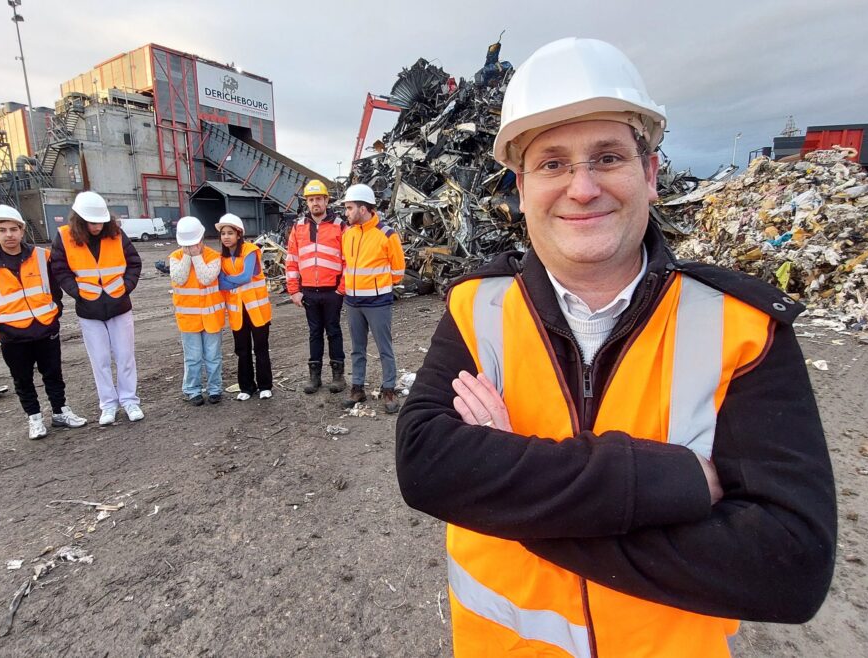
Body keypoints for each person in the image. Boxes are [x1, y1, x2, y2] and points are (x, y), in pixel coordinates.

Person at [395, 38, 837, 657]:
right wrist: (674, 482)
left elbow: (788, 567)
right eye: (552, 164)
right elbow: (426, 467)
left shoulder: (740, 326)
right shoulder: (478, 308)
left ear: (650, 175)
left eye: (606, 158)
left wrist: (511, 489)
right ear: (520, 189)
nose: (581, 188)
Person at [0, 204, 87, 439]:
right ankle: (34, 418)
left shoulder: (41, 257)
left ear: (22, 231)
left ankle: (60, 412)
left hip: (45, 330)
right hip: (13, 336)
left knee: (53, 374)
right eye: (2, 230)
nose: (9, 235)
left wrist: (53, 317)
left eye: (14, 229)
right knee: (22, 379)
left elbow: (55, 292)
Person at [50, 191, 143, 425]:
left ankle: (129, 400)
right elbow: (60, 270)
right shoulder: (64, 237)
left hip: (119, 305)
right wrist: (78, 293)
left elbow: (134, 263)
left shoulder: (116, 235)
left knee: (125, 356)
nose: (97, 227)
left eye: (101, 222)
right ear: (80, 220)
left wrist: (125, 287)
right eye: (92, 223)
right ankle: (108, 405)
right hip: (89, 310)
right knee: (99, 359)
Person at [339, 184, 405, 414]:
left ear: (363, 208)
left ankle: (389, 390)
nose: (346, 213)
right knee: (357, 348)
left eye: (349, 208)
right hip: (353, 302)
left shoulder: (386, 234)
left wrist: (380, 287)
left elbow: (398, 270)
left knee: (384, 348)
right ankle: (357, 389)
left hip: (378, 303)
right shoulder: (348, 234)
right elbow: (347, 264)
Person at [286, 179, 347, 394]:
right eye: (311, 200)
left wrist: (342, 288)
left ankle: (338, 376)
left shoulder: (340, 225)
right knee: (314, 333)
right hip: (309, 291)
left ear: (326, 200)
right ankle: (315, 376)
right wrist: (294, 290)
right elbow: (292, 259)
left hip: (332, 291)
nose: (315, 203)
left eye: (318, 199)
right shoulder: (298, 227)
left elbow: (348, 260)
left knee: (334, 332)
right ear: (307, 202)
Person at [168, 216, 225, 406]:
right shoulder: (176, 257)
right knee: (192, 358)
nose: (191, 247)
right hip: (189, 320)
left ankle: (215, 389)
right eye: (187, 245)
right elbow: (180, 278)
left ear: (201, 240)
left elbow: (206, 277)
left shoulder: (214, 257)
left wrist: (197, 257)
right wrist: (187, 256)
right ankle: (192, 390)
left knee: (213, 356)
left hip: (211, 318)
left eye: (194, 244)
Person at [215, 214, 273, 400]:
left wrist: (228, 280)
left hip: (257, 310)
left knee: (261, 348)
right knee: (242, 350)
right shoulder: (221, 258)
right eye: (223, 233)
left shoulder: (250, 250)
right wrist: (231, 281)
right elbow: (220, 284)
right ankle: (246, 387)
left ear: (239, 234)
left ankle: (265, 385)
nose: (226, 237)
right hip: (237, 313)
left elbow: (245, 276)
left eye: (230, 233)